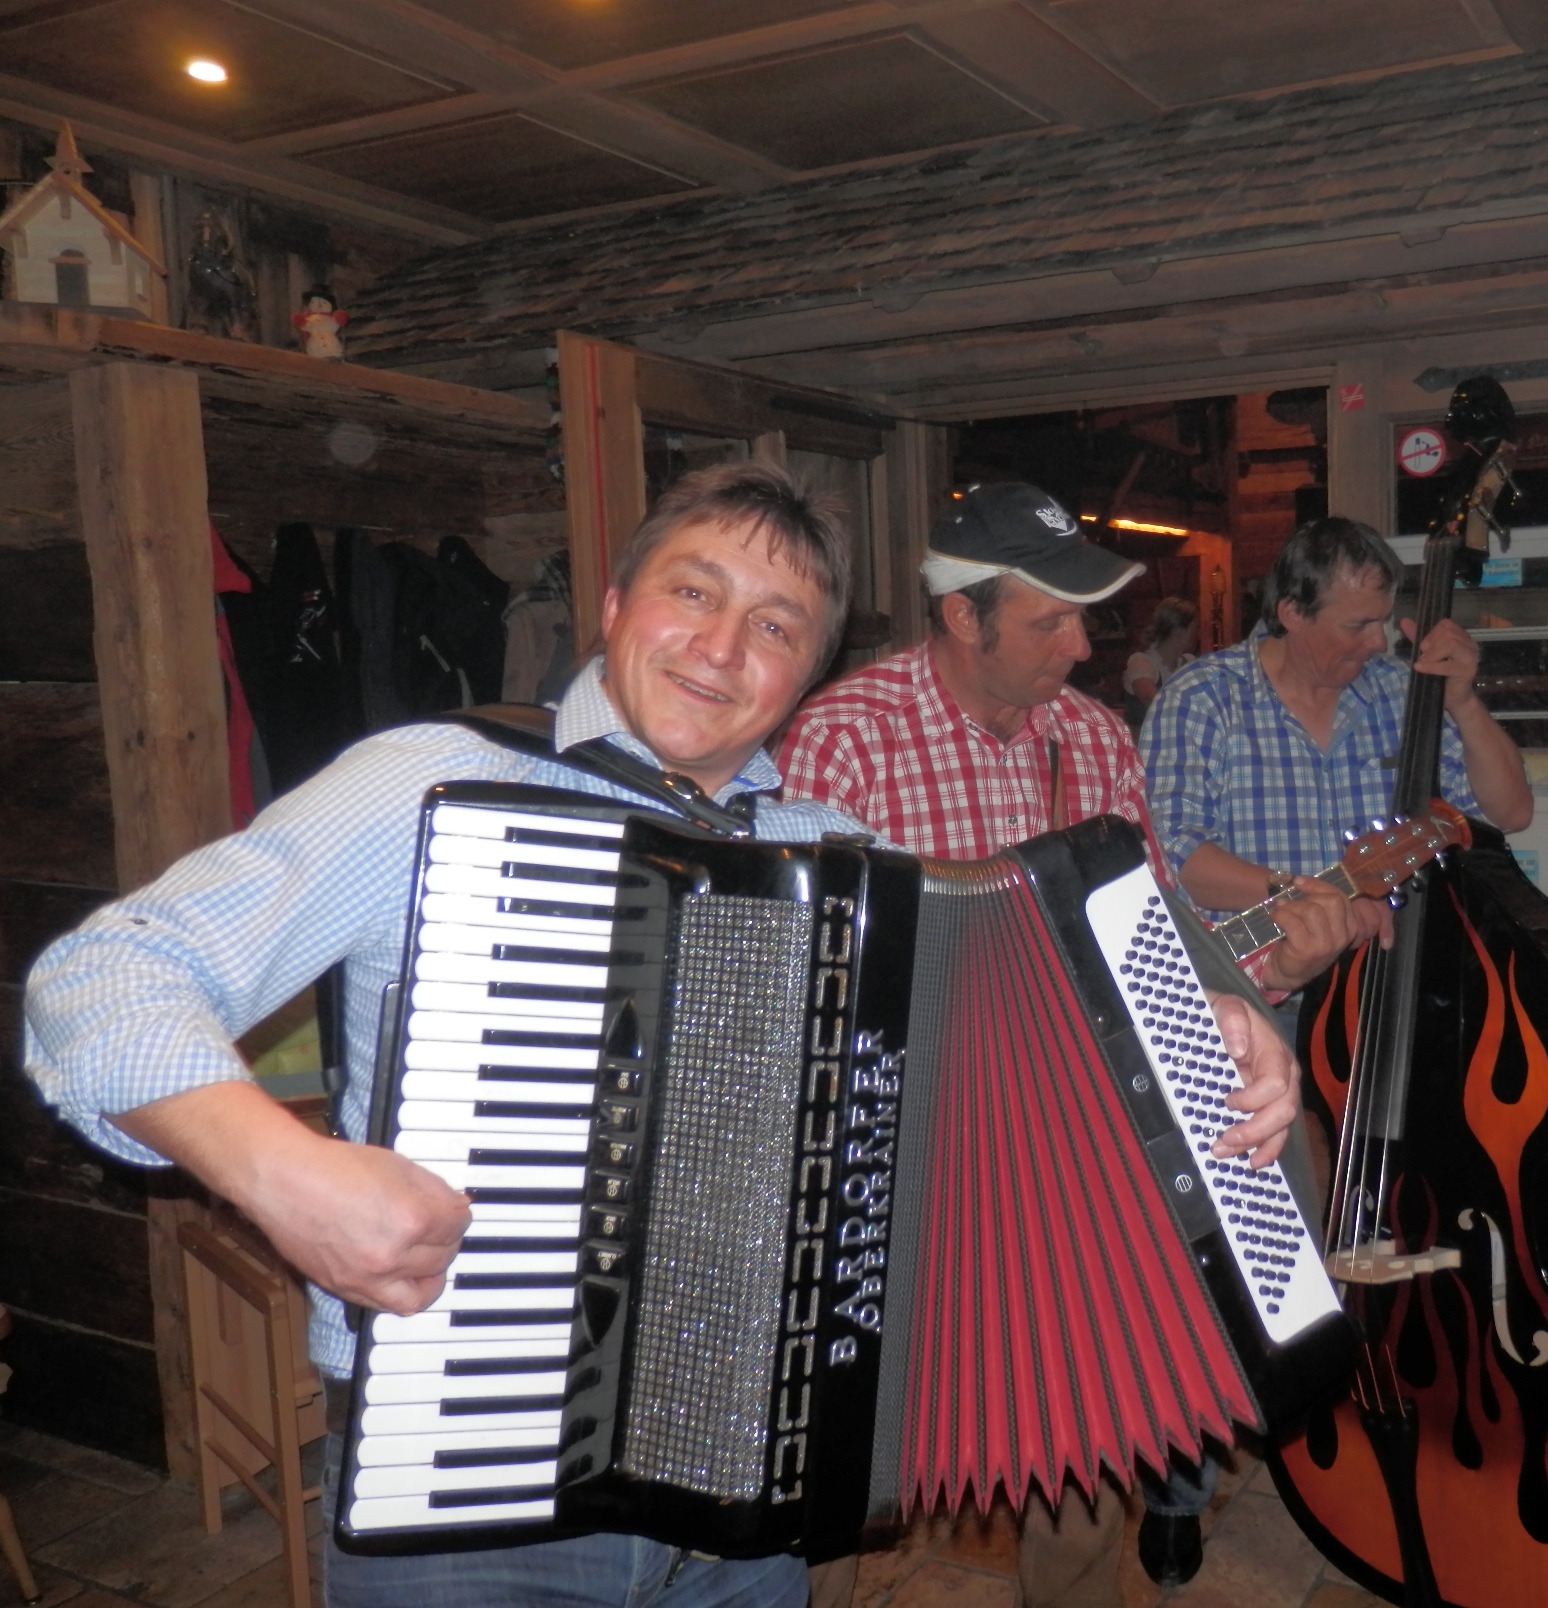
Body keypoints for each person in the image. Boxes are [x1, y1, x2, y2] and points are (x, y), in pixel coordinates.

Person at [23, 464, 1303, 1608]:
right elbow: (102, 979)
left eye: (775, 627)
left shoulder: (828, 854)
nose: (721, 648)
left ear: (803, 678)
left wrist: (1204, 1037)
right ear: (615, 606)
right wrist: (283, 1172)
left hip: (748, 1516)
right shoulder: (431, 782)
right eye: (693, 593)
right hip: (476, 1495)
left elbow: (1025, 1033)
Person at [776, 480, 1351, 1604]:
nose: (1082, 649)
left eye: (1084, 621)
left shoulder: (1091, 738)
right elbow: (817, 979)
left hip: (1066, 1136)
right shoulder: (844, 738)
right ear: (962, 616)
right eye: (1050, 623)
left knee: (1086, 1412)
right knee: (848, 1455)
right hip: (904, 1140)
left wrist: (1247, 986)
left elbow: (1147, 938)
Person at [1140, 516, 1533, 929]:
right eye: (1358, 625)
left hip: (1390, 959)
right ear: (1293, 613)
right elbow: (1176, 854)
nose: (1379, 642)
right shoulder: (1201, 697)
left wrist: (1464, 703)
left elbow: (1511, 813)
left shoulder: (1400, 689)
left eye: (1383, 620)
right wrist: (1318, 899)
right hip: (1263, 965)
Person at [1121, 597, 1198, 730]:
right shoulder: (1141, 663)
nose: (1197, 634)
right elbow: (1152, 702)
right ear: (1179, 632)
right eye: (1194, 629)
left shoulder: (1189, 662)